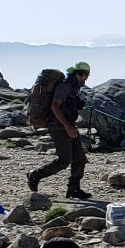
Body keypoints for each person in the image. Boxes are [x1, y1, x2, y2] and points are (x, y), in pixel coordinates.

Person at [28, 62, 91, 199]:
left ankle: (73, 189)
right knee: (64, 160)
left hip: (69, 125)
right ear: (77, 74)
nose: (86, 78)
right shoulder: (65, 86)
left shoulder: (74, 88)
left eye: (87, 75)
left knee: (80, 159)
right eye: (84, 75)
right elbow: (55, 106)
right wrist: (67, 126)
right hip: (59, 126)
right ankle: (35, 175)